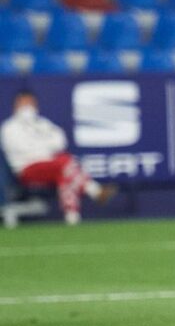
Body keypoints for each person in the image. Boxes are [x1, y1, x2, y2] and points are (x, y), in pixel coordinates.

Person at [0, 90, 116, 225]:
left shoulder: (42, 123)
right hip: (26, 169)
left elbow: (60, 141)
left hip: (50, 165)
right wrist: (46, 148)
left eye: (30, 103)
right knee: (66, 162)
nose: (27, 106)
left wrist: (41, 147)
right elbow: (20, 149)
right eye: (24, 103)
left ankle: (72, 216)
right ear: (16, 105)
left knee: (65, 171)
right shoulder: (9, 128)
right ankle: (94, 191)